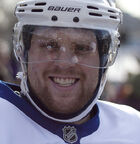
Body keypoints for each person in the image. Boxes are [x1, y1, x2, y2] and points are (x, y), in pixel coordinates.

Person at [0, 0, 140, 143]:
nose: (64, 64)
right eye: (50, 45)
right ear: (24, 52)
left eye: (82, 47)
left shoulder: (133, 128)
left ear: (104, 58)